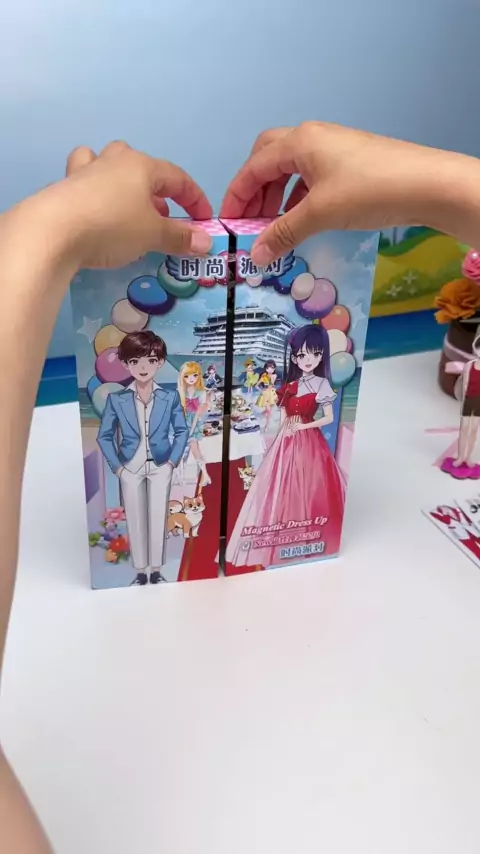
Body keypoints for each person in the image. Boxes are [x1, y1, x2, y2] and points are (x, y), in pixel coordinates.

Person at [3, 125, 480, 850]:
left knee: (251, 505)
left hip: (277, 451)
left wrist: (51, 228)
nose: (306, 362)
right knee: (153, 519)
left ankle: (188, 552)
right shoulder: (175, 386)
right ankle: (153, 561)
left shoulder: (278, 381)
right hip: (183, 458)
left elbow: (302, 406)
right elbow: (179, 416)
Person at [226, 325, 344, 569]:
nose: (308, 359)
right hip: (286, 439)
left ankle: (308, 537)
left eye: (315, 353)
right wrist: (279, 437)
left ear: (321, 355)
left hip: (309, 440)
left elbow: (329, 418)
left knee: (309, 485)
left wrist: (303, 426)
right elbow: (282, 415)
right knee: (280, 485)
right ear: (294, 358)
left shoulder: (322, 384)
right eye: (302, 355)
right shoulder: (290, 386)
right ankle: (280, 538)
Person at [97, 330, 188, 585]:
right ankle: (140, 572)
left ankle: (156, 570)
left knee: (158, 516)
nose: (143, 367)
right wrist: (118, 469)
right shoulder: (117, 399)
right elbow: (104, 436)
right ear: (126, 364)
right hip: (130, 466)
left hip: (161, 465)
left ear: (160, 362)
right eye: (135, 361)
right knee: (135, 519)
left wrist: (172, 462)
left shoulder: (170, 396)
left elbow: (181, 431)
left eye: (151, 360)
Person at [177, 361, 211, 486]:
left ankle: (205, 475)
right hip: (181, 422)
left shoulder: (201, 392)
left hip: (193, 422)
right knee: (181, 450)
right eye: (187, 376)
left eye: (194, 375)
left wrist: (192, 429)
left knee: (194, 448)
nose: (191, 379)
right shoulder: (181, 391)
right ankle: (181, 476)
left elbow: (198, 413)